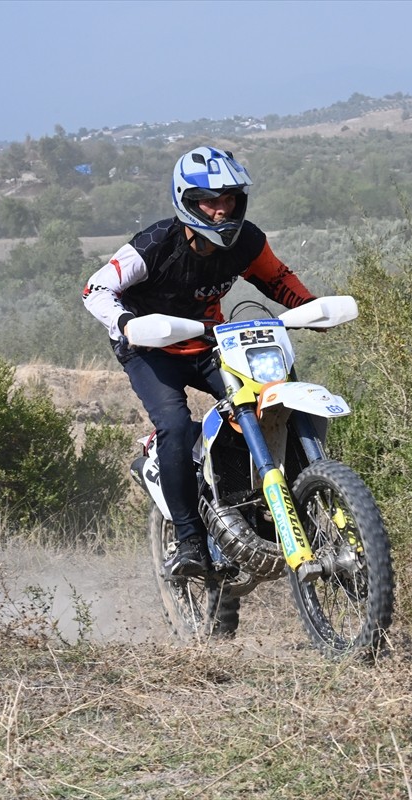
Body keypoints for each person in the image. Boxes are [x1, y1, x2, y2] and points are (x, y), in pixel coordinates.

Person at [82, 146, 316, 578]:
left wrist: (311, 308)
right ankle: (190, 543)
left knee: (267, 401)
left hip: (211, 342)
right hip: (150, 350)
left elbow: (277, 279)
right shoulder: (153, 246)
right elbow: (95, 289)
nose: (220, 210)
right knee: (173, 423)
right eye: (209, 200)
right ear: (187, 201)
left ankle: (269, 503)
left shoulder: (245, 241)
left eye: (228, 199)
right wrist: (127, 322)